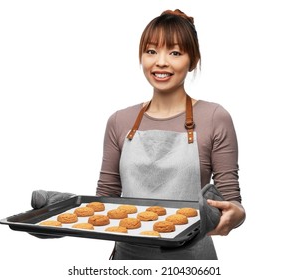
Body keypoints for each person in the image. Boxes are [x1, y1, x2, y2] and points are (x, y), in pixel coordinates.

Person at [95, 9, 246, 260]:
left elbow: (232, 199)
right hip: (127, 260)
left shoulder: (214, 117)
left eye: (175, 52)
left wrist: (236, 215)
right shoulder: (119, 121)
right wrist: (58, 220)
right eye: (151, 51)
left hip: (192, 262)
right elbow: (104, 198)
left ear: (193, 60)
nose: (161, 62)